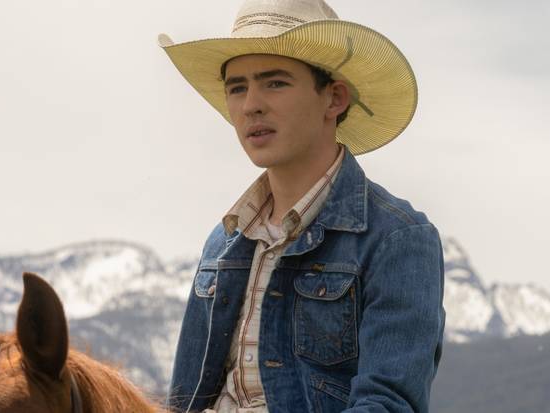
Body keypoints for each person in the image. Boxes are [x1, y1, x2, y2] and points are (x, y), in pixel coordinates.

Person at [158, 0, 445, 412]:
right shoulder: (222, 243)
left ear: (334, 99)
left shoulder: (396, 238)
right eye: (237, 87)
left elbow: (387, 403)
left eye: (274, 83)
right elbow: (182, 400)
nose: (250, 104)